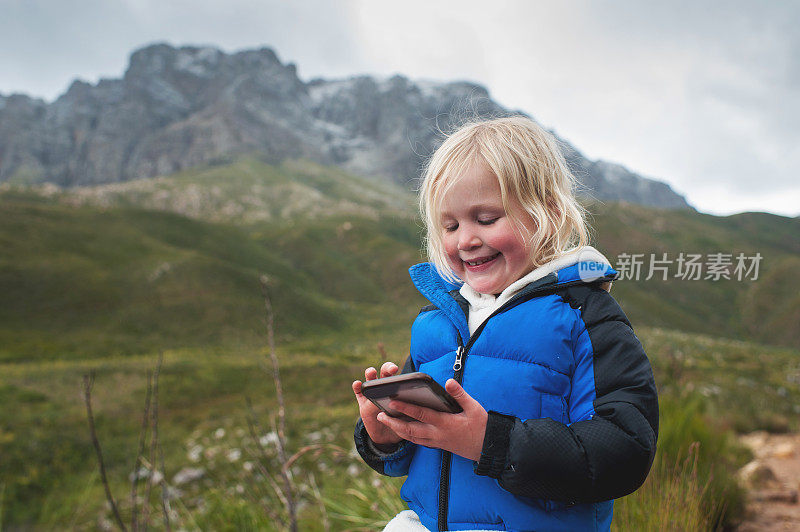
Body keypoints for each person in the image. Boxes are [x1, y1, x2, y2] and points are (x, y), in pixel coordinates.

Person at [352, 116, 658, 532]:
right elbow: (416, 448)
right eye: (451, 225)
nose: (466, 240)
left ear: (546, 212)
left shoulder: (585, 317)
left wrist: (491, 442)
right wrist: (384, 436)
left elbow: (625, 450)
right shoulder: (436, 324)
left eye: (487, 218)